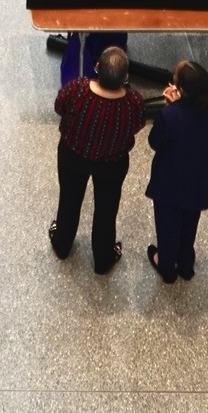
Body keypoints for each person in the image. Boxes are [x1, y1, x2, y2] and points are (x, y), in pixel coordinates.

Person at [50, 45, 145, 274]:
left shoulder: (77, 90)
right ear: (126, 77)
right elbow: (138, 126)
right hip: (112, 163)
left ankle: (62, 244)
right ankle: (103, 258)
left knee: (69, 199)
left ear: (97, 67)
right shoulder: (133, 102)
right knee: (106, 209)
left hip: (73, 156)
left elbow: (59, 107)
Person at [146, 60, 208, 283]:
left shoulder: (170, 115)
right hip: (200, 178)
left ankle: (166, 267)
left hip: (170, 181)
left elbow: (155, 142)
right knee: (190, 223)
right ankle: (185, 264)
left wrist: (170, 106)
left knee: (168, 225)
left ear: (180, 89)